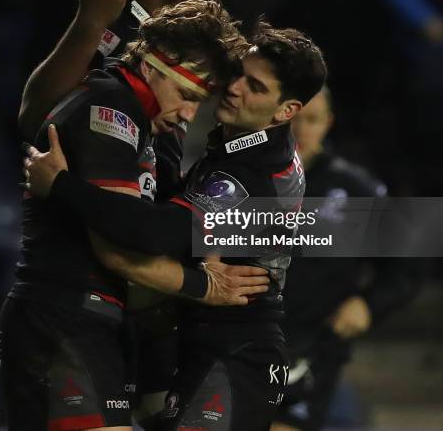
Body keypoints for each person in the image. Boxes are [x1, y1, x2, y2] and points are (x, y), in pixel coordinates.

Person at [0, 0, 269, 431]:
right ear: (150, 63)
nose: (187, 113)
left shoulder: (141, 120)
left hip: (92, 321)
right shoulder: (111, 109)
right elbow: (119, 244)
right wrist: (204, 286)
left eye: (197, 103)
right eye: (185, 93)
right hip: (62, 318)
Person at [24, 23, 328, 430]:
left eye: (254, 87)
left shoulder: (251, 172)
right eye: (238, 73)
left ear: (286, 111)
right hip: (196, 344)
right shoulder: (241, 144)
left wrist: (60, 185)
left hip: (235, 353)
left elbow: (155, 233)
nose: (233, 87)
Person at [19, 0, 219, 201]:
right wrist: (90, 22)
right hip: (97, 228)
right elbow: (34, 116)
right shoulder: (115, 38)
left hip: (146, 216)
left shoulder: (180, 49)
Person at [268, 87, 421, 431]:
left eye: (312, 120)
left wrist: (368, 305)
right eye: (293, 119)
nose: (301, 130)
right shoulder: (242, 180)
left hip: (312, 350)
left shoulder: (357, 191)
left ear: (329, 123)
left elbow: (405, 269)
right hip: (237, 343)